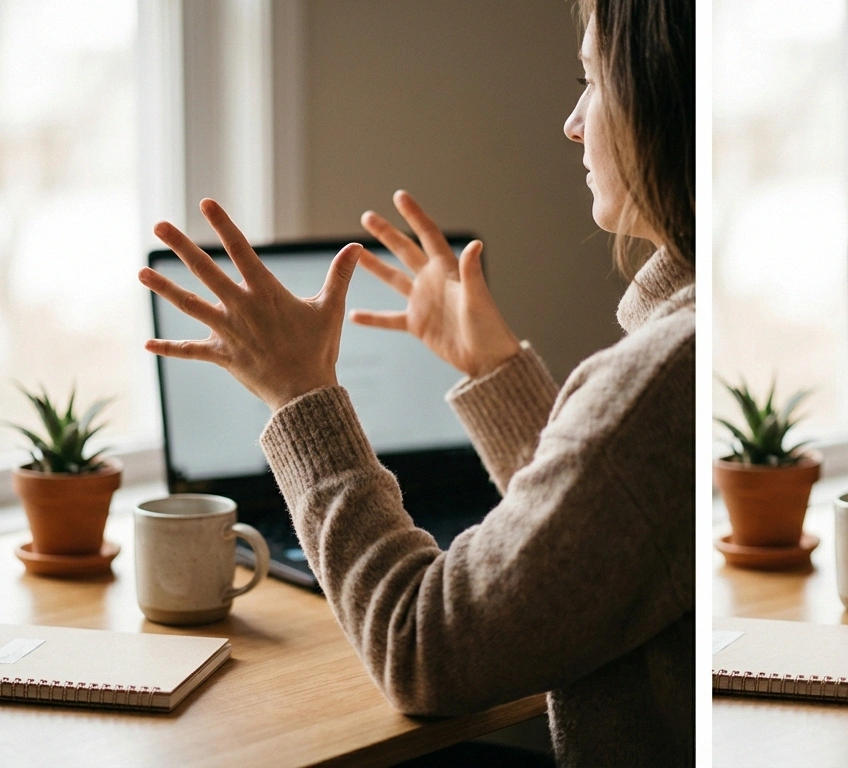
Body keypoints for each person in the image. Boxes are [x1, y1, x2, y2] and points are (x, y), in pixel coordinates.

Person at [136, 1, 694, 765]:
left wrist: (301, 399)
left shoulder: (667, 370)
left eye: (593, 81)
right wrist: (497, 375)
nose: (571, 122)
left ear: (667, 102)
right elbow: (611, 535)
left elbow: (421, 649)